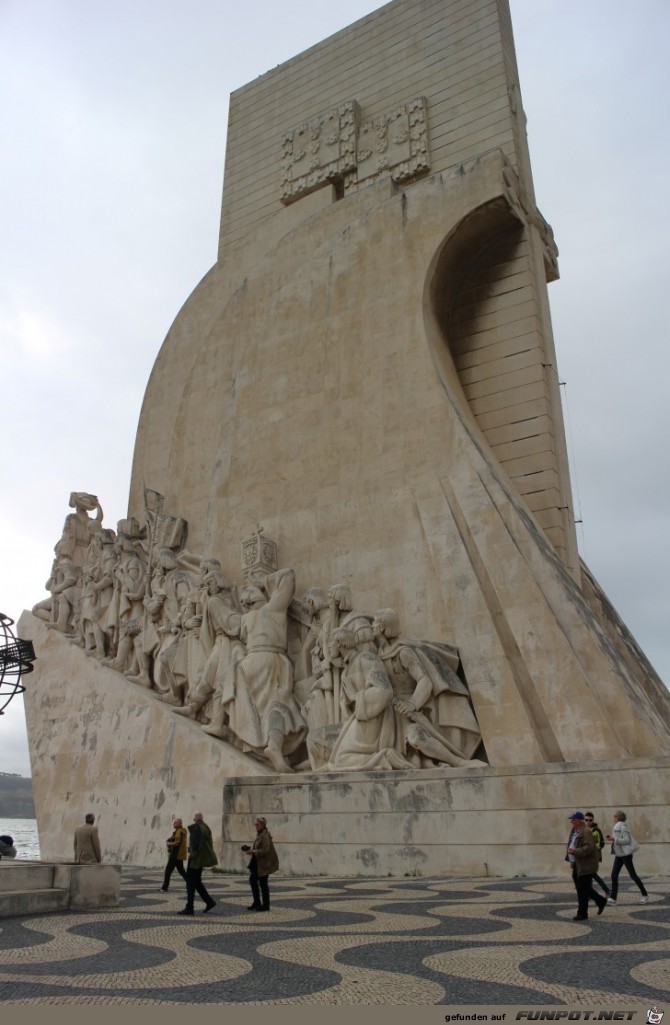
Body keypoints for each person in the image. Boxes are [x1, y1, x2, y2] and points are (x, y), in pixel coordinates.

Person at [566, 811, 607, 920]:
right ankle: (600, 901)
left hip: (586, 864)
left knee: (582, 889)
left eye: (573, 820)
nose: (571, 822)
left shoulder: (586, 831)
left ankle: (582, 913)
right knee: (582, 887)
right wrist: (571, 860)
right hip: (577, 863)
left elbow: (589, 847)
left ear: (578, 821)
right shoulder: (575, 830)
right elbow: (571, 844)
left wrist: (576, 852)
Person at [606, 810, 649, 905]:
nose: (613, 816)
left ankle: (645, 895)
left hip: (626, 855)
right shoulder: (617, 826)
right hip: (619, 854)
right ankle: (613, 898)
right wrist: (613, 839)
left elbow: (627, 840)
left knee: (633, 875)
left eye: (615, 815)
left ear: (618, 817)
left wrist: (614, 839)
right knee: (614, 875)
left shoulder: (623, 826)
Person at [179, 812, 218, 915]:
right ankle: (209, 902)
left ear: (195, 819)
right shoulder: (206, 827)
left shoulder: (196, 828)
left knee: (190, 883)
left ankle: (189, 907)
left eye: (194, 819)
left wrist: (192, 853)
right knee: (197, 882)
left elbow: (196, 845)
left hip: (195, 861)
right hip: (201, 860)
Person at [242, 816, 279, 912]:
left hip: (264, 864)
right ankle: (257, 902)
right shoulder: (260, 834)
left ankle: (265, 905)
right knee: (254, 881)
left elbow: (266, 850)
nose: (256, 826)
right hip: (258, 863)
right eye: (255, 824)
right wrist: (250, 849)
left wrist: (254, 851)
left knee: (262, 883)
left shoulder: (265, 835)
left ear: (263, 825)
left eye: (257, 824)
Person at [584, 811, 610, 898]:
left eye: (590, 820)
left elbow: (602, 843)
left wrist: (593, 847)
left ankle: (605, 890)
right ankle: (591, 894)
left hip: (593, 856)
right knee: (589, 875)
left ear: (593, 820)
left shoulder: (596, 830)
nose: (588, 822)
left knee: (592, 875)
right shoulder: (584, 829)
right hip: (586, 856)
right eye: (586, 820)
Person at [161, 817, 188, 892]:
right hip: (179, 855)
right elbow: (173, 839)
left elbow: (177, 843)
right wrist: (169, 840)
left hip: (175, 855)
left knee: (167, 871)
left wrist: (170, 844)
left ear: (179, 823)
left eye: (175, 822)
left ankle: (164, 888)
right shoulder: (181, 831)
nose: (173, 824)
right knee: (182, 871)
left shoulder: (179, 831)